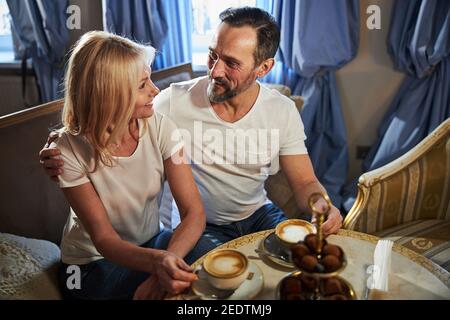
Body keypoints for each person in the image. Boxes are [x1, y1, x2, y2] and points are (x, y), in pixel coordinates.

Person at [40, 7, 342, 260]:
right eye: (213, 55)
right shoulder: (170, 101)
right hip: (199, 224)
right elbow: (113, 108)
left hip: (258, 213)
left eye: (232, 63)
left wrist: (322, 205)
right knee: (220, 283)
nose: (215, 71)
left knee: (310, 259)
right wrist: (62, 141)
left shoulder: (282, 110)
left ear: (263, 67)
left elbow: (304, 182)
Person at [45, 31, 206, 300]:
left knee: (211, 252)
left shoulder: (164, 128)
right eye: (143, 85)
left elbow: (193, 212)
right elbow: (105, 240)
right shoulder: (66, 150)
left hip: (152, 242)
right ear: (110, 95)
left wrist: (163, 268)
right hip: (92, 263)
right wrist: (160, 265)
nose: (155, 90)